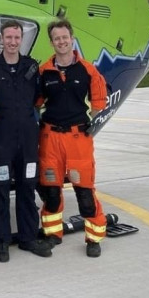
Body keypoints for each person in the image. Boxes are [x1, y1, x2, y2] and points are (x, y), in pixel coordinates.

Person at [0, 21, 51, 262]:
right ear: (1, 39)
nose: (12, 42)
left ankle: (28, 237)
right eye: (8, 37)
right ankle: (2, 240)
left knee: (27, 186)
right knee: (0, 189)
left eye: (16, 37)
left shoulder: (31, 67)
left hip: (28, 139)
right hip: (2, 139)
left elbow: (40, 98)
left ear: (22, 39)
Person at [37, 19, 108, 257]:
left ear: (72, 38)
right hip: (50, 139)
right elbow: (35, 102)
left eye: (64, 37)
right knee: (51, 192)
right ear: (52, 42)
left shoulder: (88, 70)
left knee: (85, 192)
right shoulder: (44, 71)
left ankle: (94, 238)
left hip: (78, 140)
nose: (61, 41)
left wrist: (87, 119)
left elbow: (99, 102)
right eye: (56, 38)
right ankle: (52, 234)